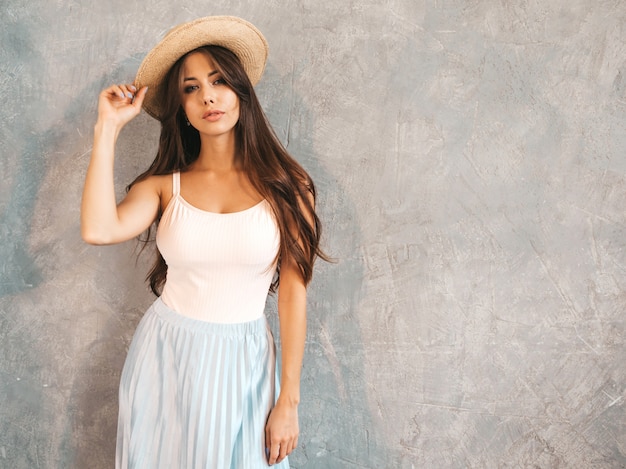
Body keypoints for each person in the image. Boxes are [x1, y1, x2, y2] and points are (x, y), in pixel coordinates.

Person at [80, 16, 326, 468]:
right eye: (191, 88)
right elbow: (98, 229)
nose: (208, 96)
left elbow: (294, 292)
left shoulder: (289, 188)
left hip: (246, 364)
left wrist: (287, 400)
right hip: (166, 357)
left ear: (241, 92)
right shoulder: (163, 187)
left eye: (218, 81)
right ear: (182, 108)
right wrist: (108, 128)